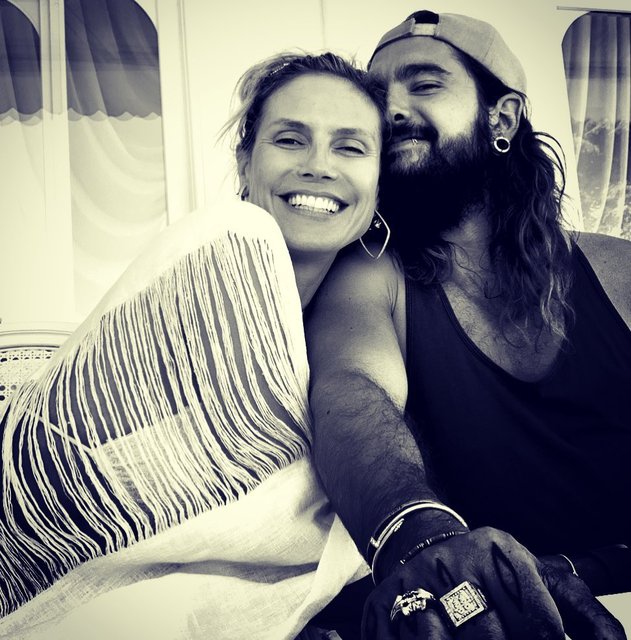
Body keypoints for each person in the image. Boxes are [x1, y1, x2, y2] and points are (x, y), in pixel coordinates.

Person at [0, 51, 385, 640]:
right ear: (245, 163)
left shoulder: (352, 322)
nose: (318, 166)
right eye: (290, 140)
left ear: (380, 183)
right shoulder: (224, 245)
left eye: (350, 148)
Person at [306, 10, 631, 640]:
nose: (390, 110)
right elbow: (350, 390)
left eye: (424, 84)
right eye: (377, 95)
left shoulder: (617, 271)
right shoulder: (369, 275)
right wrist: (417, 534)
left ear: (502, 118)